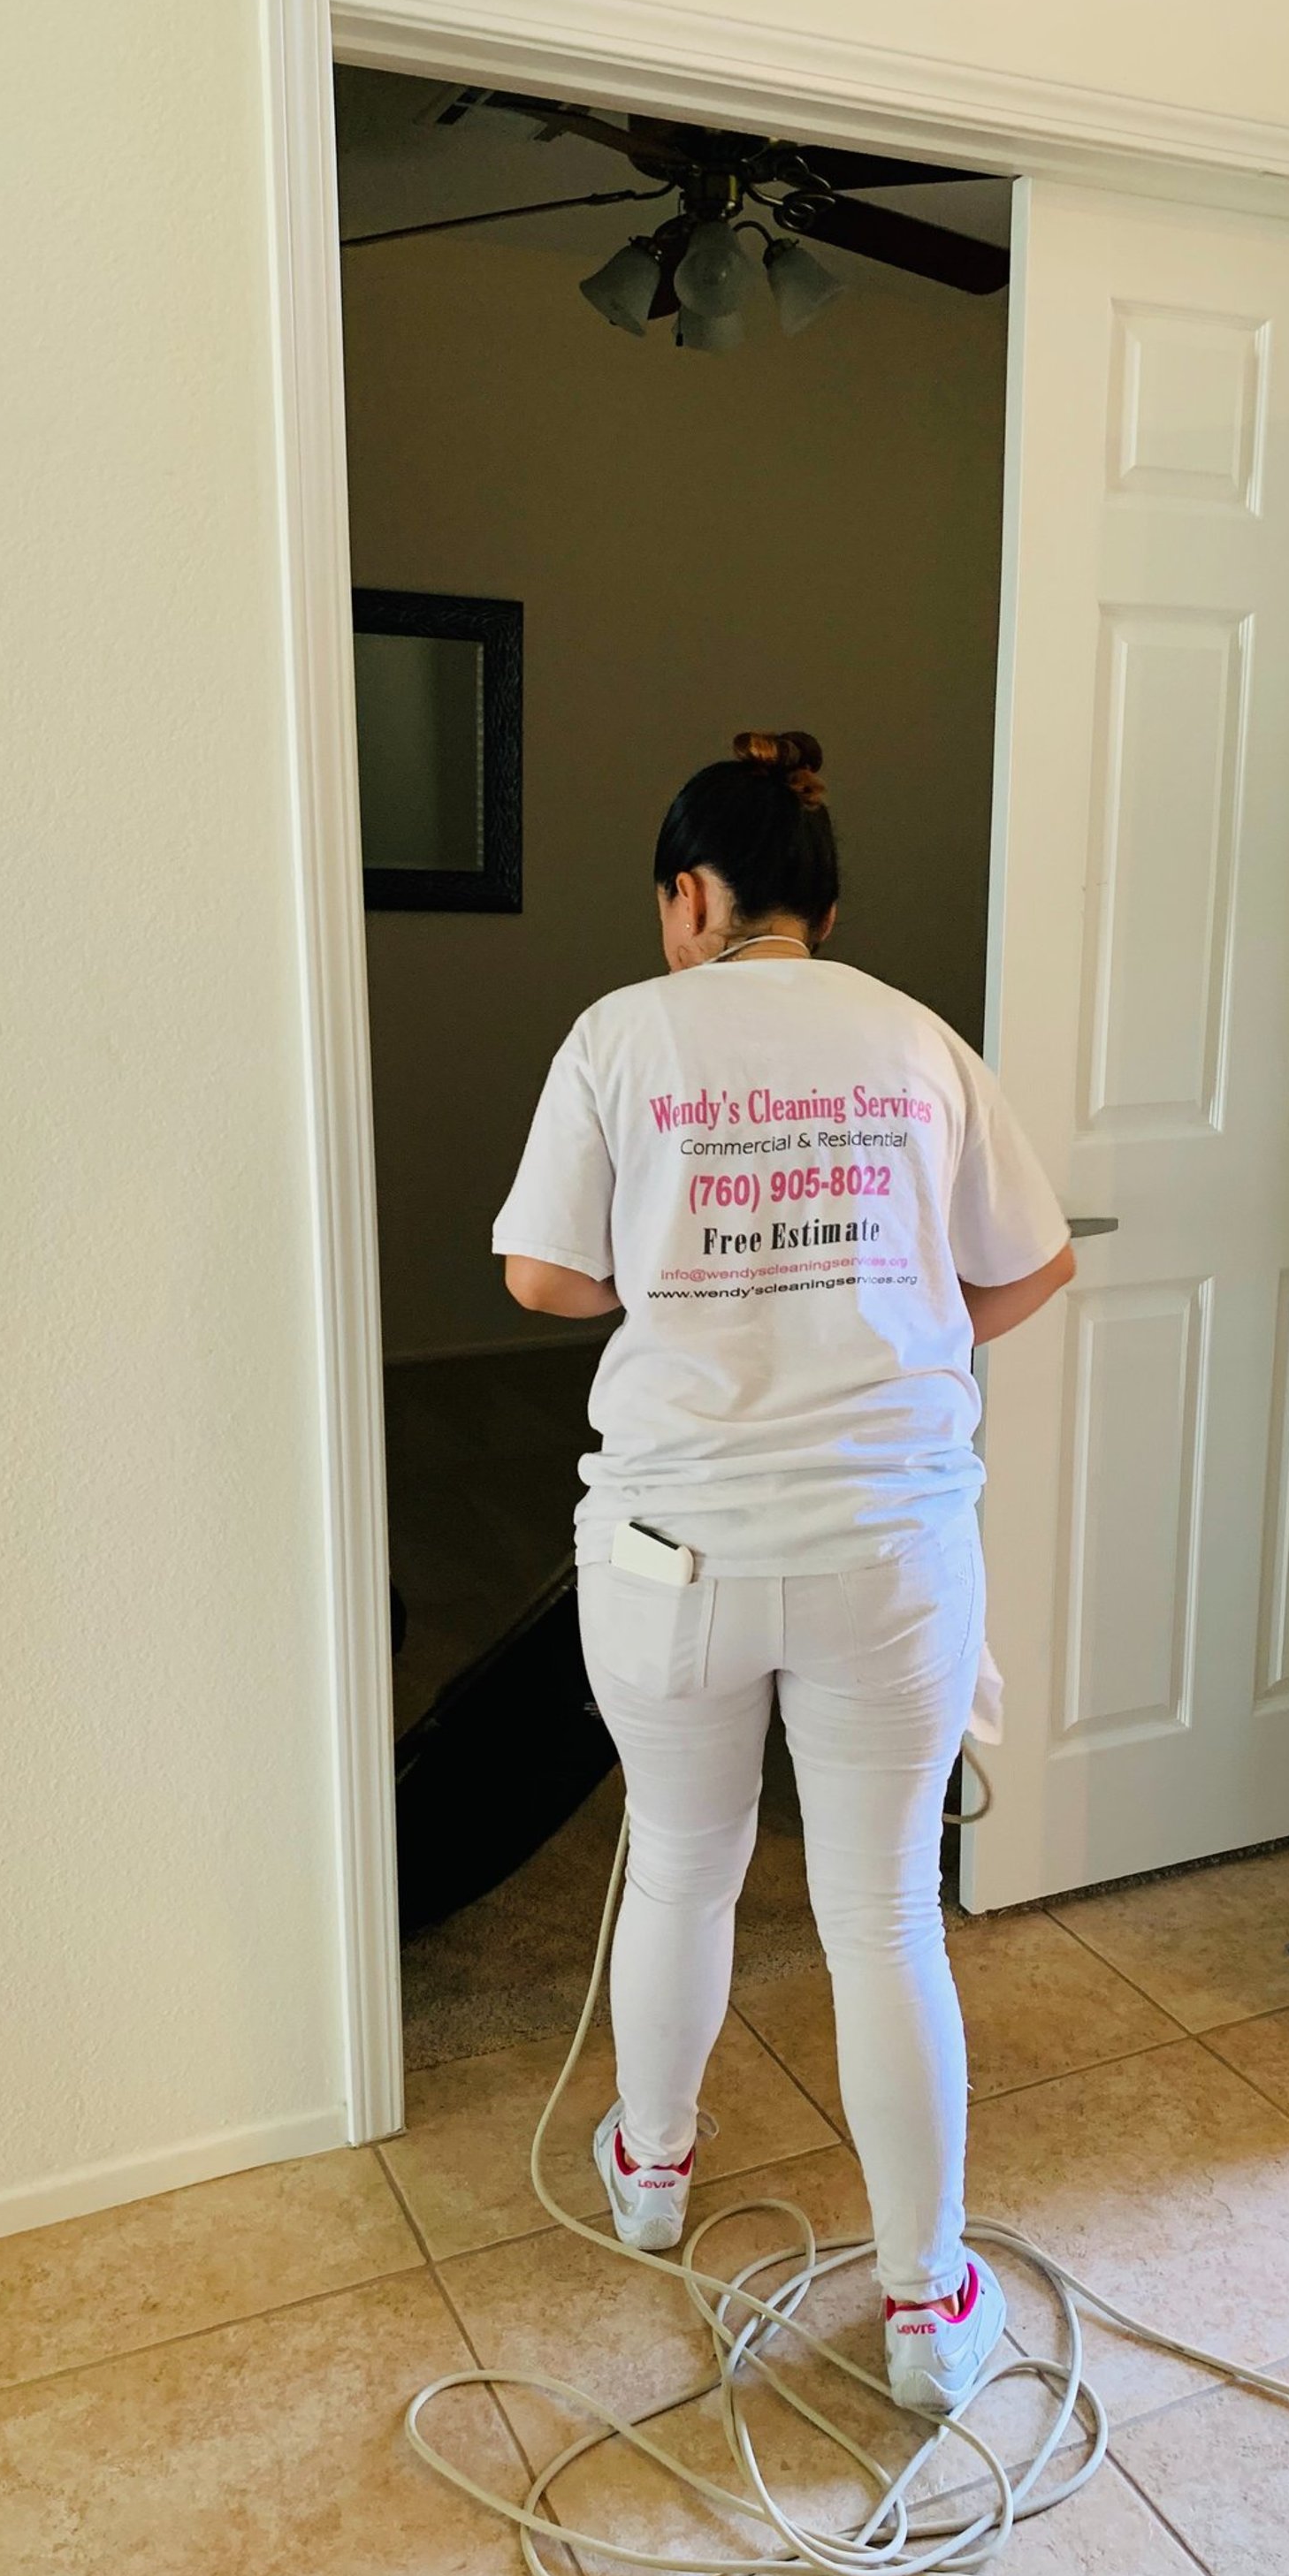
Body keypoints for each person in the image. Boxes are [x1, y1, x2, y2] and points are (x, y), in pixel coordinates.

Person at [492, 731, 1074, 2414]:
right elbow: (1031, 1268)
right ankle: (925, 2310)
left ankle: (651, 2174)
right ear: (822, 902)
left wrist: (690, 1285)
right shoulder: (916, 1038)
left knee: (680, 1859)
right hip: (888, 1549)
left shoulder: (625, 1033)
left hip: (673, 1554)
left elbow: (539, 1272)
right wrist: (879, 1324)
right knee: (886, 1911)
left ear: (692, 894)